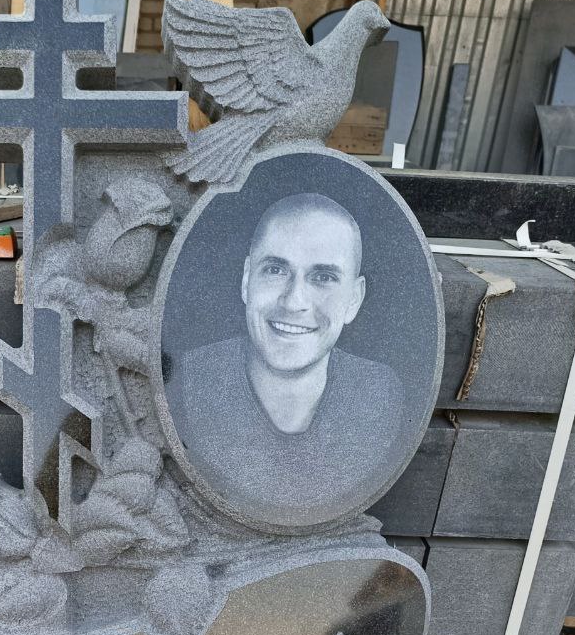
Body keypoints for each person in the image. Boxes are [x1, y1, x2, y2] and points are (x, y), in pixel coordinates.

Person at [164, 193, 404, 523]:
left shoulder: (379, 394)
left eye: (323, 277)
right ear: (247, 280)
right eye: (275, 270)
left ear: (354, 298)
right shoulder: (187, 380)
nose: (293, 302)